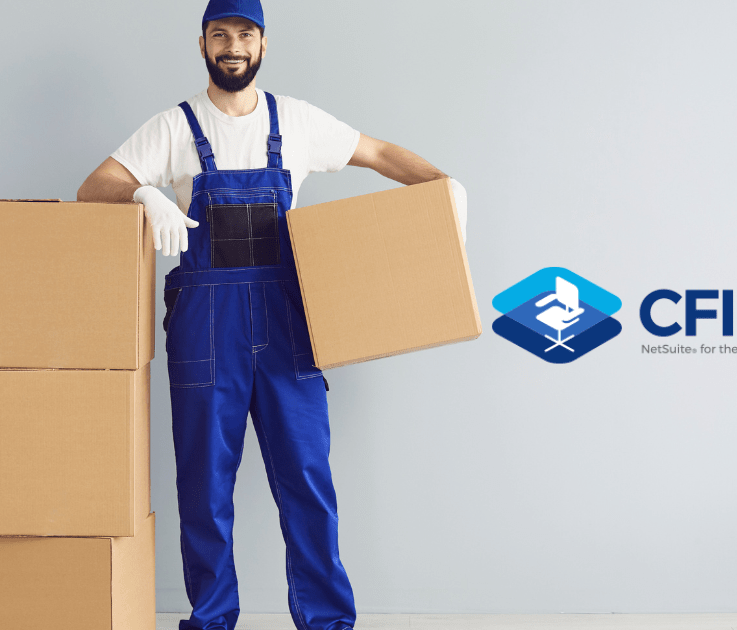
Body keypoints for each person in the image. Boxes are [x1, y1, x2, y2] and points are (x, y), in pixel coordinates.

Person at [77, 2, 466, 629]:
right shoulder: (174, 128)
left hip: (290, 326)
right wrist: (144, 190)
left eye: (245, 35)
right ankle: (211, 620)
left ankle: (328, 622)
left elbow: (380, 152)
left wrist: (444, 189)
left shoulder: (297, 121)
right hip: (206, 332)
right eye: (220, 35)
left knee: (308, 480)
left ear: (263, 44)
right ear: (202, 43)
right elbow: (93, 187)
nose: (233, 46)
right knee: (204, 488)